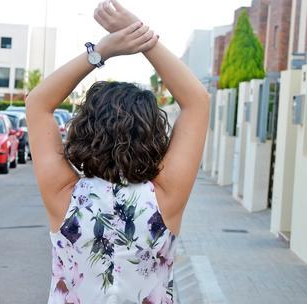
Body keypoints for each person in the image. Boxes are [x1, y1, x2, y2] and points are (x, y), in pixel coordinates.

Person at [26, 1, 210, 303]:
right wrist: (142, 37)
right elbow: (197, 101)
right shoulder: (165, 198)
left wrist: (101, 51)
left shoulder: (63, 196)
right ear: (153, 134)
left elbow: (37, 103)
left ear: (85, 131)